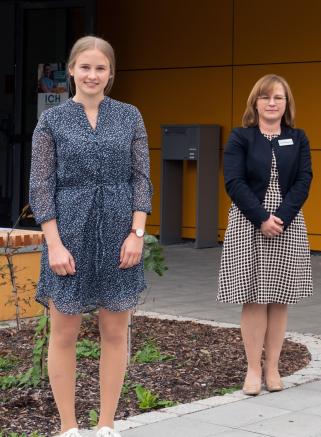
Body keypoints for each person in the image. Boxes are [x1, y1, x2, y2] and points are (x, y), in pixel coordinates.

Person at [29, 35, 152, 437]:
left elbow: (141, 180)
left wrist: (137, 234)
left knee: (114, 331)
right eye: (85, 67)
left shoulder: (130, 116)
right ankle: (69, 427)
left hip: (120, 235)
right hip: (69, 235)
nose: (93, 75)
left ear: (111, 73)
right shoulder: (52, 120)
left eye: (101, 68)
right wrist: (54, 244)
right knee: (64, 333)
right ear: (71, 69)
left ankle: (105, 425)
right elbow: (41, 186)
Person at [218, 74, 314, 397]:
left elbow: (304, 180)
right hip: (249, 222)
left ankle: (273, 367)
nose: (272, 103)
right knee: (254, 297)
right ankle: (253, 369)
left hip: (287, 222)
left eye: (279, 98)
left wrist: (281, 217)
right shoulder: (240, 138)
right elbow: (234, 182)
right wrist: (261, 218)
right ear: (255, 102)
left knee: (279, 297)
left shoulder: (297, 138)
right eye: (265, 97)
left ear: (287, 104)